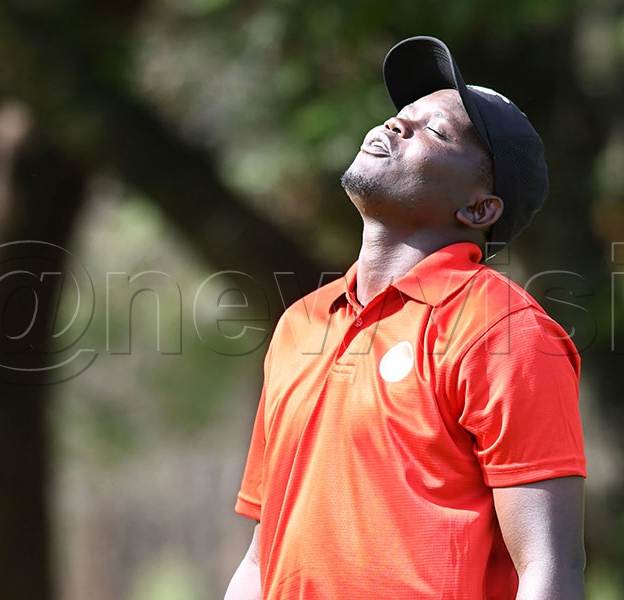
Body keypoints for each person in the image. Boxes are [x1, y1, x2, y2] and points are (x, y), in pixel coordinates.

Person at [224, 36, 586, 600]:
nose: (397, 127)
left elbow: (550, 568)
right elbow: (260, 558)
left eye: (435, 132)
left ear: (479, 209)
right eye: (400, 117)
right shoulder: (301, 324)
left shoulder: (504, 331)